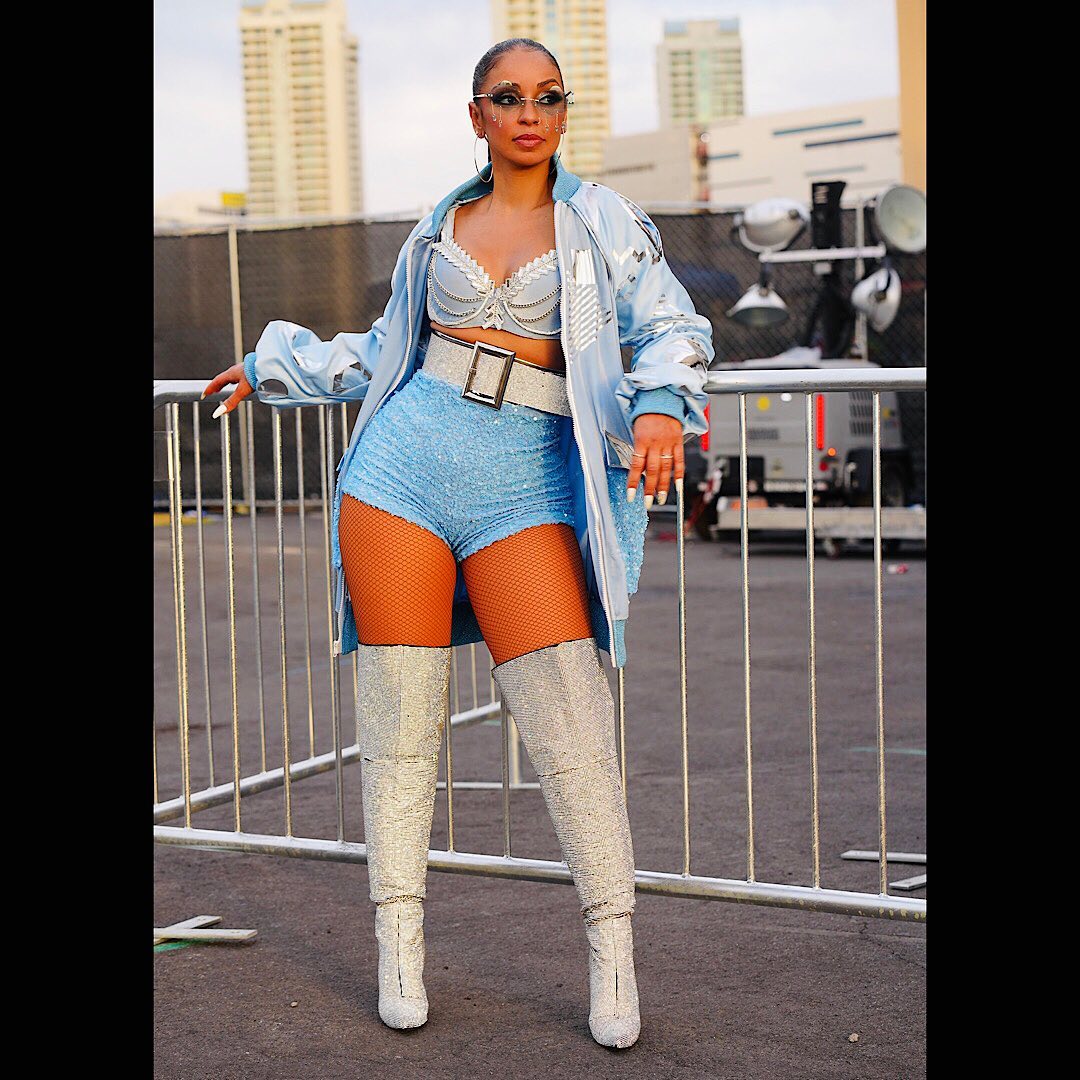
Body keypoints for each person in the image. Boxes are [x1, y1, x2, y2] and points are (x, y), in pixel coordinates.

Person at [202, 38, 714, 1050]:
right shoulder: (438, 227)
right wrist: (274, 367)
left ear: (562, 113)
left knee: (569, 718)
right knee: (399, 723)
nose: (529, 113)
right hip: (401, 472)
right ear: (476, 115)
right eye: (508, 97)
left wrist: (661, 403)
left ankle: (613, 951)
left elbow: (673, 326)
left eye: (548, 97)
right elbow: (384, 348)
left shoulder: (602, 220)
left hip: (525, 482)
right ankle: (399, 944)